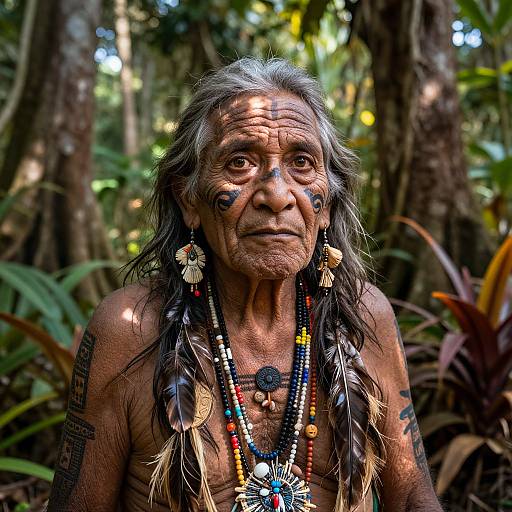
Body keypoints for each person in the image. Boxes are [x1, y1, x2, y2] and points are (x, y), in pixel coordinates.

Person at [47, 57, 444, 512]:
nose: (277, 195)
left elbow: (413, 495)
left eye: (301, 162)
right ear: (189, 199)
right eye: (240, 162)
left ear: (328, 203)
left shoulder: (364, 316)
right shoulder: (130, 329)